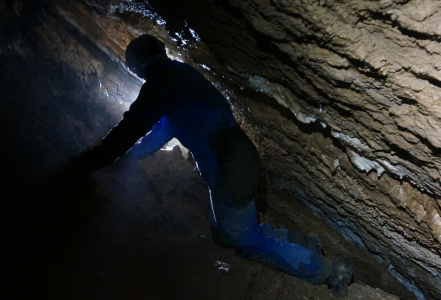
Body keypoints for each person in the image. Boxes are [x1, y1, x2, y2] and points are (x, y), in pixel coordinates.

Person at [74, 34, 352, 296]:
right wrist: (129, 158)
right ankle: (305, 242)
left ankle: (330, 271)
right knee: (223, 232)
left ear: (136, 68)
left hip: (229, 164)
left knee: (244, 241)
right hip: (233, 159)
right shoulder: (179, 76)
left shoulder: (160, 83)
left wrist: (95, 160)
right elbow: (159, 132)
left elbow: (130, 128)